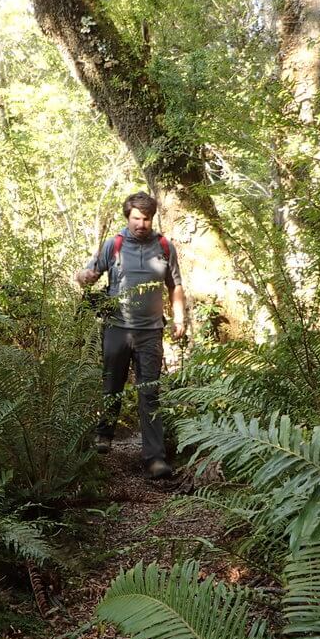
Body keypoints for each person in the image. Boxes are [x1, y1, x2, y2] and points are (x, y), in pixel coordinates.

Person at [75, 191, 186, 479]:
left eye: (146, 218)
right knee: (112, 384)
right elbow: (90, 272)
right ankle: (104, 434)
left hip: (151, 331)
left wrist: (180, 318)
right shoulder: (114, 244)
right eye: (136, 218)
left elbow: (175, 285)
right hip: (116, 327)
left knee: (150, 393)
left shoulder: (164, 246)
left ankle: (155, 458)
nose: (141, 223)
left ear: (152, 218)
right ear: (128, 217)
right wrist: (83, 276)